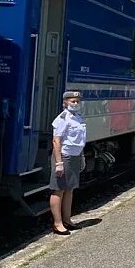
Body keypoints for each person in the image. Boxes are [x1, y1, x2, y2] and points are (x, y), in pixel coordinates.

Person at [50, 91, 87, 235]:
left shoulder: (78, 118)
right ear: (65, 102)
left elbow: (80, 141)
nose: (76, 103)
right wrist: (59, 163)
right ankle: (57, 223)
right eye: (73, 101)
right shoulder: (61, 119)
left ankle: (67, 220)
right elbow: (56, 141)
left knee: (69, 189)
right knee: (58, 190)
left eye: (78, 101)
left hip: (75, 156)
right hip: (64, 157)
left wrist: (82, 156)